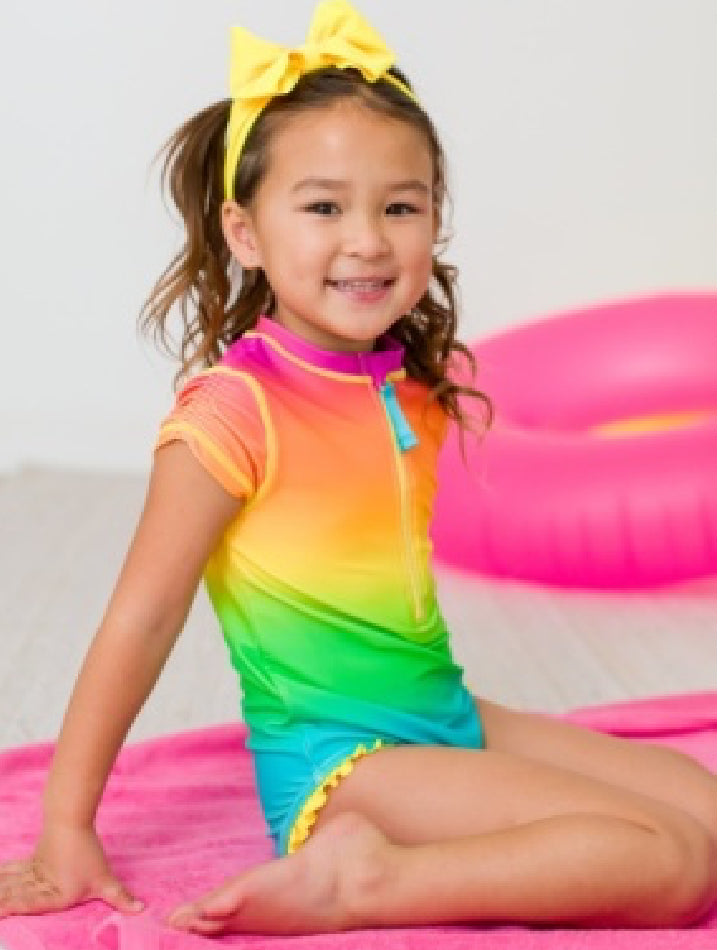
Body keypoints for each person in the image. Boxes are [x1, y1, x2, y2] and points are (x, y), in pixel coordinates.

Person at [0, 0, 715, 937]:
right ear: (245, 233)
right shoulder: (234, 411)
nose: (368, 238)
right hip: (341, 763)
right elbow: (143, 618)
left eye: (399, 206)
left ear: (434, 220)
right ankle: (360, 879)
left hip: (443, 715)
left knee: (702, 806)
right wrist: (66, 827)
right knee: (670, 862)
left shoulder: (405, 386)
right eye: (324, 206)